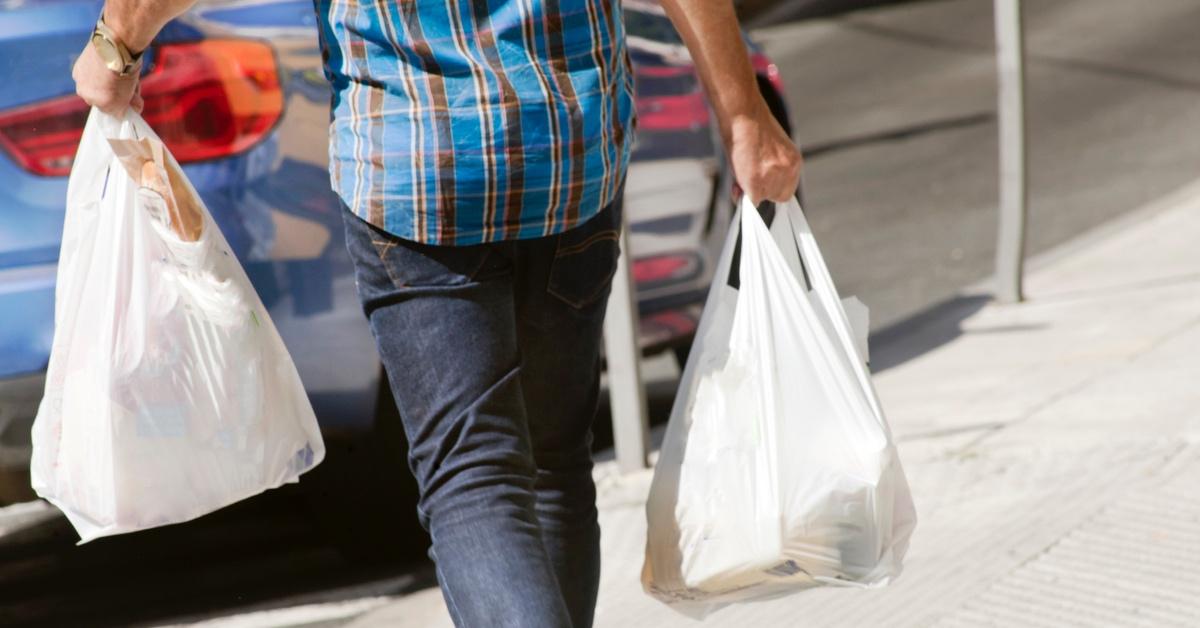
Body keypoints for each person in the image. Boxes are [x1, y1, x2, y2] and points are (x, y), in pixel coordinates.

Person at [74, 0, 801, 625]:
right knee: (552, 463)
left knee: (474, 480)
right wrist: (742, 114)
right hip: (570, 150)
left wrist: (116, 42)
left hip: (415, 169)